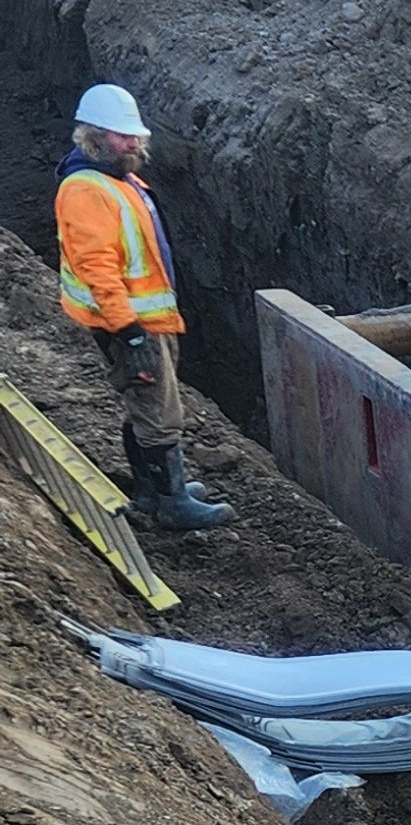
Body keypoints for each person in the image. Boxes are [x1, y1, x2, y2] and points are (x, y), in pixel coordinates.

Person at [54, 81, 232, 536]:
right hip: (130, 323)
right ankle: (172, 505)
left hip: (146, 317)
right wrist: (128, 329)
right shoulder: (86, 190)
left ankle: (152, 493)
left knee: (147, 404)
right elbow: (97, 265)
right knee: (158, 410)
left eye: (134, 135)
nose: (133, 141)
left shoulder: (121, 179)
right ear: (93, 136)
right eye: (121, 135)